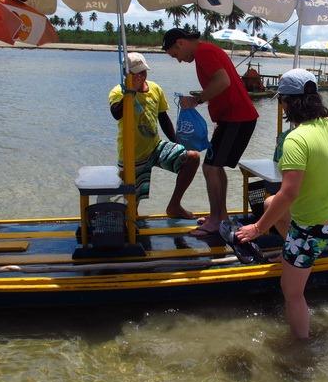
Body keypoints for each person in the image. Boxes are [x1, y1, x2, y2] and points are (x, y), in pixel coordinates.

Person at [235, 69, 328, 339]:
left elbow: (289, 193)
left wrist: (257, 229)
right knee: (268, 203)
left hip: (313, 228)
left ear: (287, 103)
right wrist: (323, 188)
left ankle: (302, 346)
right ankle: (293, 251)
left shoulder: (296, 139)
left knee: (292, 293)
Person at [162, 28, 259, 236]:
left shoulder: (204, 52)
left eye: (175, 55)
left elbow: (223, 82)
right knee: (214, 166)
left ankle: (216, 221)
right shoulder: (206, 51)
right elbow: (221, 83)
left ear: (180, 43)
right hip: (233, 118)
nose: (178, 60)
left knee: (210, 168)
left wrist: (197, 100)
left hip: (237, 117)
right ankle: (220, 216)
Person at [108, 52, 199, 218]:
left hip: (155, 148)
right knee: (132, 205)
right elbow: (116, 113)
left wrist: (177, 142)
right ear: (127, 74)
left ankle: (174, 206)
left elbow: (163, 118)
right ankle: (131, 221)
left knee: (192, 158)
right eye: (136, 72)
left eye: (143, 71)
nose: (141, 75)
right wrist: (131, 92)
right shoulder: (118, 91)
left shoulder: (155, 88)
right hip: (131, 154)